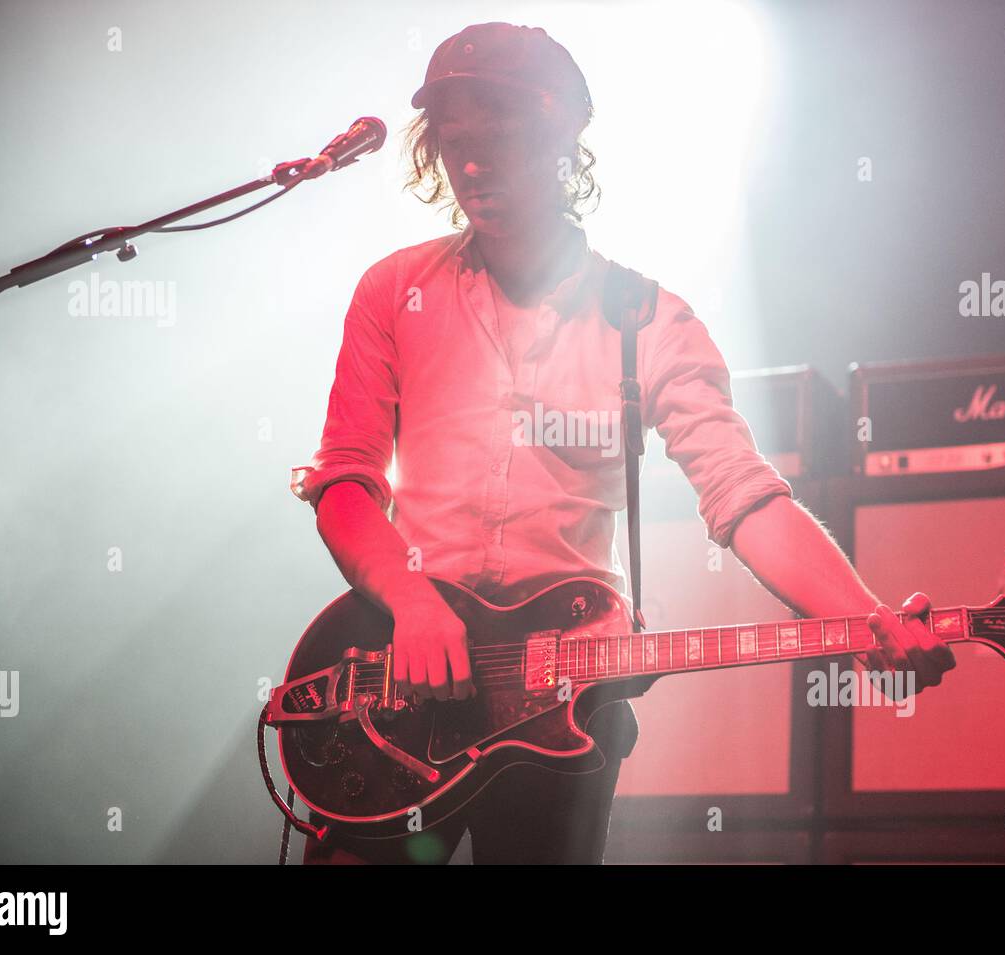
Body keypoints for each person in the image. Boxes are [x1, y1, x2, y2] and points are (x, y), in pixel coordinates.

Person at [291, 22, 955, 864]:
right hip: (399, 679)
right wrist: (414, 600)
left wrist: (866, 620)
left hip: (566, 694)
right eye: (453, 142)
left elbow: (744, 495)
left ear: (560, 136)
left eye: (493, 136)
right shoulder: (394, 290)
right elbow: (345, 482)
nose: (470, 163)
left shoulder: (648, 322)